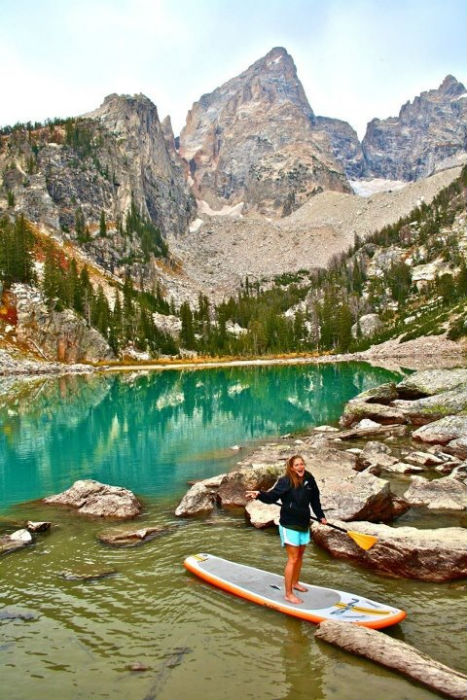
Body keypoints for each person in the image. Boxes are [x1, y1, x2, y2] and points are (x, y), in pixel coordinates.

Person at [245, 454, 327, 605]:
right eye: (297, 465)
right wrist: (259, 494)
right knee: (293, 558)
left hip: (303, 523)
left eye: (302, 464)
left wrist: (321, 516)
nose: (300, 467)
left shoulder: (309, 478)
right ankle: (288, 594)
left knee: (300, 556)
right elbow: (272, 496)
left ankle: (295, 583)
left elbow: (315, 500)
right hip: (289, 524)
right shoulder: (285, 481)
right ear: (291, 467)